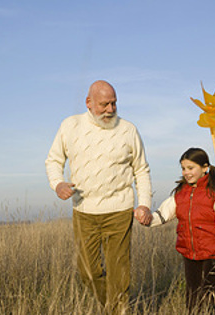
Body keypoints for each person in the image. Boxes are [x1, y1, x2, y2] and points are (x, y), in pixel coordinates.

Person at [45, 80, 152, 314]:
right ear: (89, 103)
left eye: (114, 103)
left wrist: (144, 204)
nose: (111, 110)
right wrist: (58, 183)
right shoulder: (69, 126)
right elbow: (53, 160)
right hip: (84, 212)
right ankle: (115, 307)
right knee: (89, 273)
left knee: (118, 272)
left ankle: (118, 310)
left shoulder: (128, 130)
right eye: (104, 104)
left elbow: (141, 170)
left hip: (119, 210)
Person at [149, 147, 215, 313]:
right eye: (183, 168)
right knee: (192, 290)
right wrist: (146, 218)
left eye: (190, 168)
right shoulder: (180, 193)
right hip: (189, 249)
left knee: (208, 288)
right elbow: (163, 215)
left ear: (205, 168)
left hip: (214, 248)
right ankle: (198, 310)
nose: (186, 173)